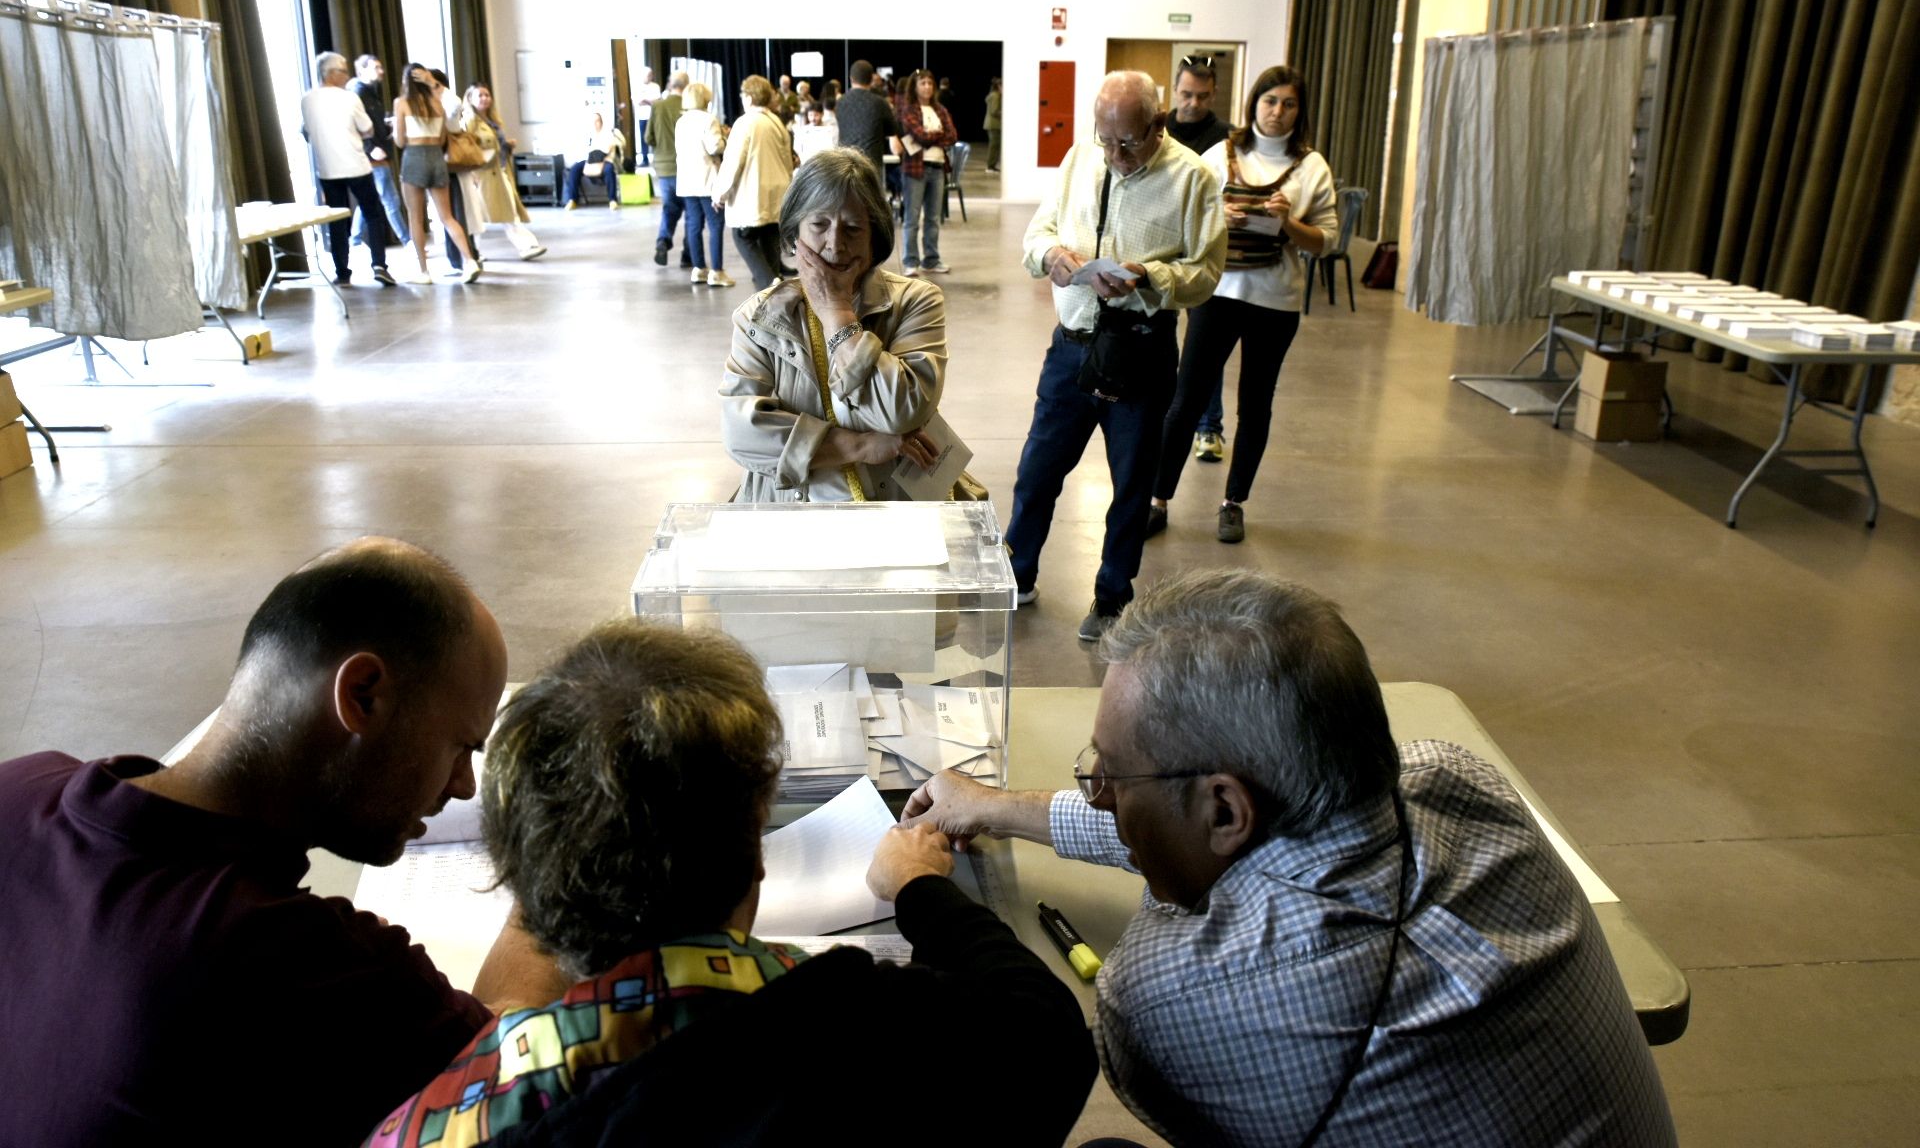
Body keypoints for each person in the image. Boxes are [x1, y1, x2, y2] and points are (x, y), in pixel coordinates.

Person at [901, 569, 1679, 1148]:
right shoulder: (1456, 779)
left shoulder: (1160, 996)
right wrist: (999, 807)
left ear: (1224, 809)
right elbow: (1228, 841)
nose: (1098, 792)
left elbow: (1193, 868)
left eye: (1111, 772)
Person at [361, 619, 1095, 1148]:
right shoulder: (848, 1014)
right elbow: (1052, 1040)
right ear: (755, 854)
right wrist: (918, 888)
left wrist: (553, 857)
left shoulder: (459, 1112)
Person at [0, 538, 570, 1147]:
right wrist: (558, 854)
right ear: (362, 694)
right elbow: (513, 1066)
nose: (463, 786)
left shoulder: (17, 787)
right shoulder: (292, 956)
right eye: (462, 747)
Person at [1007, 70, 1225, 642]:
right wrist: (1051, 256)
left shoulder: (1193, 178)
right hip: (1072, 348)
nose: (1114, 155)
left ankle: (1111, 599)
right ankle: (1017, 573)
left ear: (1159, 124)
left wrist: (1148, 276)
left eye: (1128, 142)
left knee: (1131, 485)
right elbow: (1037, 234)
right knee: (1037, 471)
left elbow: (1206, 273)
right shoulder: (1080, 158)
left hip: (1141, 351)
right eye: (1105, 140)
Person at [1148, 65, 1337, 546]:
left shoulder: (1312, 166)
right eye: (1270, 101)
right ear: (1254, 103)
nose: (1277, 112)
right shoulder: (1220, 154)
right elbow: (1182, 218)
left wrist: (1289, 223)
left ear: (1300, 110)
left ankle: (1233, 503)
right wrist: (1219, 218)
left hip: (1276, 302)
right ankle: (1157, 500)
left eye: (1289, 104)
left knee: (1255, 404)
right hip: (1216, 295)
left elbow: (1326, 241)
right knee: (1186, 399)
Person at [720, 148, 945, 502]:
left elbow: (902, 412)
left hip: (890, 508)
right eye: (819, 225)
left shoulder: (916, 301)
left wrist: (837, 314)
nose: (835, 244)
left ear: (874, 238)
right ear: (794, 234)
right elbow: (742, 434)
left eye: (853, 229)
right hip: (790, 509)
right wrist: (859, 445)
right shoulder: (759, 318)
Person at [1165, 55, 1235, 464]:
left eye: (1203, 96)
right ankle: (1162, 418)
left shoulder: (1227, 139)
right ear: (1175, 90)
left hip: (1203, 252)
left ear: (1214, 94)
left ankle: (1208, 426)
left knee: (1206, 348)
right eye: (1187, 94)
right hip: (1160, 248)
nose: (1193, 103)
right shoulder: (1158, 129)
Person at [301, 50, 396, 287]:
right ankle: (379, 265)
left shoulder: (307, 100)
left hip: (328, 170)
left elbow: (306, 132)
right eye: (343, 71)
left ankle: (342, 272)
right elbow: (368, 129)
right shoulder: (349, 98)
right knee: (373, 214)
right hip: (356, 166)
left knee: (337, 221)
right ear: (331, 73)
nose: (346, 76)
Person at [394, 61, 482, 283]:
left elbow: (400, 140)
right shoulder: (437, 103)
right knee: (447, 216)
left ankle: (424, 272)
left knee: (416, 218)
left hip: (414, 157)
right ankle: (469, 260)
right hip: (436, 158)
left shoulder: (402, 103)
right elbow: (443, 138)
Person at [712, 74, 795, 291]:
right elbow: (787, 161)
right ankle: (774, 290)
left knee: (743, 236)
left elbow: (733, 163)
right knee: (770, 241)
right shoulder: (776, 122)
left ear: (749, 97)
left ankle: (771, 284)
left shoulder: (745, 123)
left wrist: (719, 193)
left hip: (752, 194)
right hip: (777, 193)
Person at [458, 83, 547, 261]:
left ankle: (526, 245)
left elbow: (494, 145)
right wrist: (471, 172)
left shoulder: (492, 121)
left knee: (508, 211)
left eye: (487, 95)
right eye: (480, 95)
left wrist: (506, 145)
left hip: (499, 171)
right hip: (482, 174)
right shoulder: (469, 121)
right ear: (470, 99)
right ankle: (472, 252)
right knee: (477, 216)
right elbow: (466, 148)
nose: (484, 98)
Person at [673, 81, 736, 288]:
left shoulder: (681, 121)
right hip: (707, 180)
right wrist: (725, 138)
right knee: (715, 225)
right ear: (704, 99)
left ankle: (699, 268)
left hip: (686, 180)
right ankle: (717, 271)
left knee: (693, 225)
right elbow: (714, 147)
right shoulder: (708, 120)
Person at [899, 68, 958, 278]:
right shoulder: (909, 110)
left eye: (930, 83)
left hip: (938, 167)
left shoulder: (940, 109)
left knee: (933, 218)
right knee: (912, 218)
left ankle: (931, 260)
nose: (927, 87)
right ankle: (910, 262)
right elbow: (920, 136)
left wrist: (930, 136)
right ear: (915, 86)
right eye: (923, 83)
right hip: (916, 168)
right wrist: (935, 135)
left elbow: (952, 136)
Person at [352, 54, 411, 249]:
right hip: (373, 155)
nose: (381, 71)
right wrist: (370, 148)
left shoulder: (371, 92)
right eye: (376, 67)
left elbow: (372, 123)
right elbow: (354, 126)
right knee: (390, 199)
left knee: (370, 199)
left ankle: (355, 240)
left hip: (377, 153)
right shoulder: (358, 93)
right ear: (362, 70)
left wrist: (387, 124)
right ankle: (407, 240)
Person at [648, 70, 688, 268]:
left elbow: (649, 137)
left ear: (670, 84)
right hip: (687, 169)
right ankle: (689, 254)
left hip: (664, 168)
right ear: (686, 86)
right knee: (692, 215)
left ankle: (663, 241)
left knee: (669, 208)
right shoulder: (690, 107)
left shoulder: (658, 106)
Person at [835, 58, 902, 178]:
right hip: (871, 163)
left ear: (851, 78)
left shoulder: (840, 102)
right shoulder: (880, 103)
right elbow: (893, 138)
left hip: (846, 163)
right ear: (871, 79)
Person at [561, 111, 622, 211]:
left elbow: (604, 151)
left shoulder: (608, 134)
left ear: (601, 122)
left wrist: (594, 153)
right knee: (574, 169)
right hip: (589, 162)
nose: (595, 124)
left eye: (597, 121)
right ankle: (572, 200)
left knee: (609, 170)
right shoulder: (589, 135)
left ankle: (612, 200)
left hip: (604, 161)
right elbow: (586, 151)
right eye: (593, 122)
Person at [633, 66, 660, 166]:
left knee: (655, 137)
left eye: (650, 75)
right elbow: (638, 102)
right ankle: (645, 159)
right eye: (648, 75)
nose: (649, 77)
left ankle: (657, 157)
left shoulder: (655, 86)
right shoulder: (637, 86)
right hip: (642, 116)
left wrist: (646, 101)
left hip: (653, 116)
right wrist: (650, 101)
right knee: (643, 138)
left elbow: (657, 101)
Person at [983, 76, 1002, 172]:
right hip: (994, 124)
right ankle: (990, 166)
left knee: (995, 146)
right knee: (994, 146)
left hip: (993, 124)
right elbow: (994, 111)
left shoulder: (994, 95)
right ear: (999, 86)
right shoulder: (996, 96)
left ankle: (992, 165)